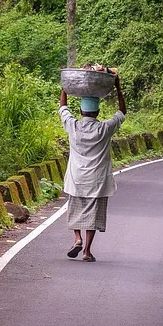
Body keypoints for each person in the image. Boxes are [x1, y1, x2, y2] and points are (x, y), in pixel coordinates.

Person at [59, 75, 126, 262]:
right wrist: (118, 87)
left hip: (77, 178)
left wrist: (67, 85)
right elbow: (122, 113)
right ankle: (87, 251)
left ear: (80, 110)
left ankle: (77, 238)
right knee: (93, 215)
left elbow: (63, 108)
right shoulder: (105, 129)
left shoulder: (73, 126)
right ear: (97, 112)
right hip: (97, 180)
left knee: (74, 210)